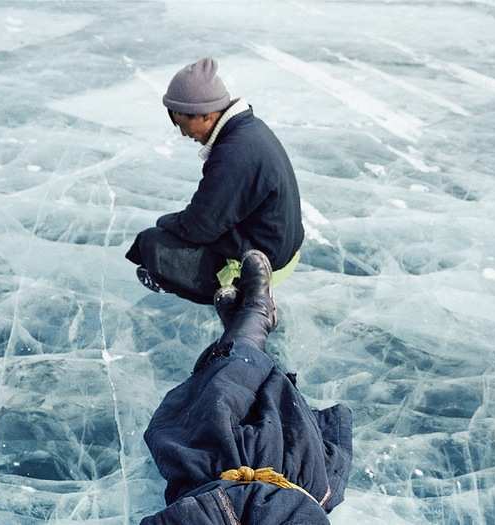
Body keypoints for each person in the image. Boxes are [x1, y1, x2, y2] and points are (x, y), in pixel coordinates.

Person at [139, 250, 352, 524]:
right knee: (264, 404)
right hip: (284, 479)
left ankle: (243, 328)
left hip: (211, 477)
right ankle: (255, 317)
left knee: (214, 401)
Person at [125, 58, 304, 306]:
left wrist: (165, 223)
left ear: (205, 115)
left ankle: (237, 293)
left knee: (151, 244)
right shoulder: (250, 130)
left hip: (261, 264)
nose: (183, 133)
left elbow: (199, 227)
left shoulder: (234, 154)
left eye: (182, 123)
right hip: (279, 245)